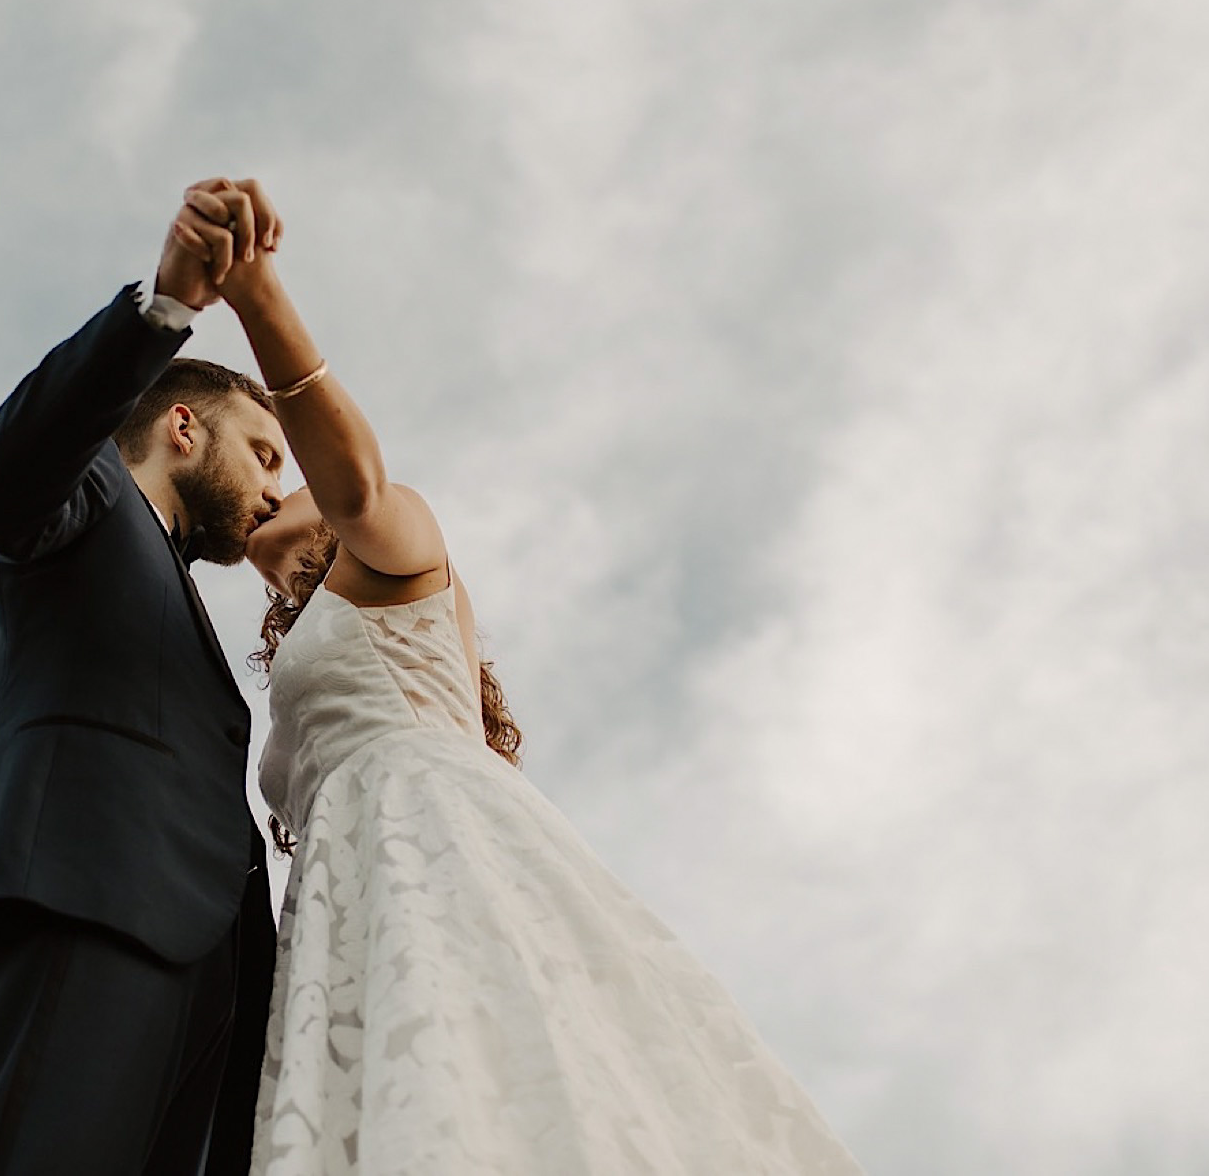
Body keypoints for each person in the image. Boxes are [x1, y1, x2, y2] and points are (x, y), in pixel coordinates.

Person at [168, 179, 867, 1174]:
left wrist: (255, 296)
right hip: (339, 891)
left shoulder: (397, 550)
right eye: (264, 465)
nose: (273, 487)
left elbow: (356, 481)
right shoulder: (297, 636)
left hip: (434, 839)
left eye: (284, 463)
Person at [0, 179, 295, 1175]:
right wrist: (164, 305)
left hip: (204, 978)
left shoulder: (169, 576)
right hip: (81, 905)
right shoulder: (81, 502)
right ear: (183, 429)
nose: (275, 487)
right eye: (263, 452)